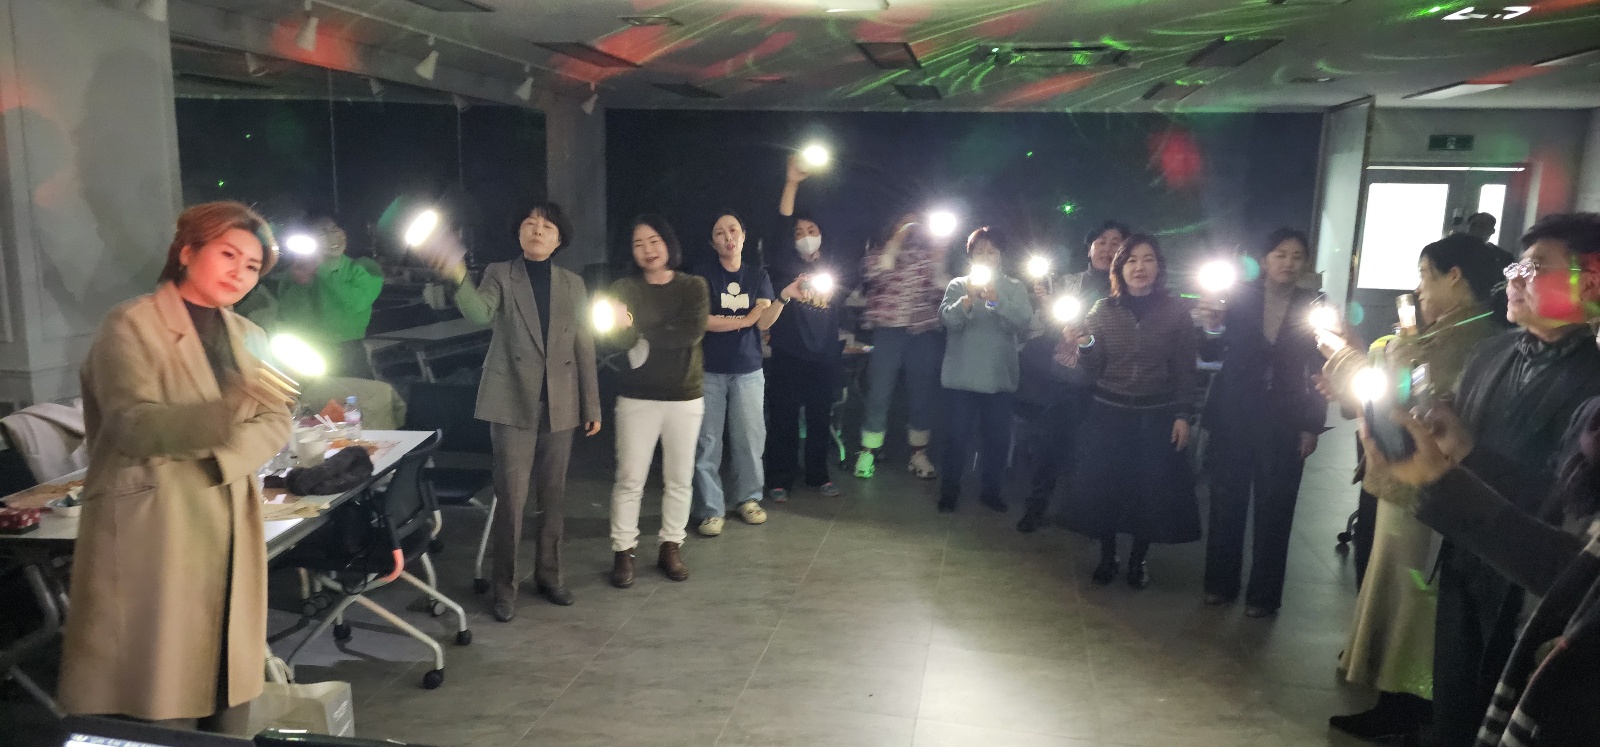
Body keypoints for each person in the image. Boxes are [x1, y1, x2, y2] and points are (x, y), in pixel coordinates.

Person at [59, 202, 295, 731]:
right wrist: (226, 413)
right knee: (158, 685)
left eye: (252, 266)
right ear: (187, 252)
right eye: (228, 254)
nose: (239, 272)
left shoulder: (250, 336)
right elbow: (133, 424)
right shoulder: (131, 325)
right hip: (154, 521)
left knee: (225, 676)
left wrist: (224, 452)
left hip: (230, 513)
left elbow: (277, 418)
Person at [1315, 234, 1505, 742]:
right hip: (1407, 484)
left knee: (1409, 600)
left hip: (1420, 489)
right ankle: (1398, 703)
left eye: (1425, 275)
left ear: (1455, 276)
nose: (1419, 289)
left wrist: (1345, 359)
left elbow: (1406, 403)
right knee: (1398, 591)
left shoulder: (1459, 342)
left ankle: (1403, 708)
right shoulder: (1452, 334)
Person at [1430, 212, 1600, 747]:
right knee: (1452, 699)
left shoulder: (1592, 380)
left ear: (1589, 281)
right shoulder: (1491, 352)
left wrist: (1469, 451)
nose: (1514, 278)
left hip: (1533, 583)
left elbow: (1567, 504)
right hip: (1464, 552)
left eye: (1534, 267)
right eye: (1516, 267)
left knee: (1501, 706)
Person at [1369, 394, 1600, 747]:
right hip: (1532, 626)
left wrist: (1443, 480)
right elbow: (1553, 511)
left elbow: (1581, 579)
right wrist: (1462, 457)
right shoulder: (1590, 415)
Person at [432, 202, 602, 619]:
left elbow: (583, 343)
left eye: (547, 226)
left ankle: (550, 575)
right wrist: (458, 273)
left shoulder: (572, 284)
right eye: (530, 223)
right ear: (519, 233)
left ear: (559, 239)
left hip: (561, 402)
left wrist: (591, 404)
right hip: (511, 400)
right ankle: (503, 587)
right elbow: (479, 313)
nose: (537, 230)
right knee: (511, 500)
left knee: (554, 497)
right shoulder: (500, 273)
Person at [1058, 234, 1200, 589]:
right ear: (1119, 268)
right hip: (1109, 413)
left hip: (1156, 415)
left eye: (1148, 259)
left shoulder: (1176, 312)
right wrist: (1084, 344)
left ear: (1159, 266)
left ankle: (1139, 559)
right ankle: (1108, 556)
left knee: (1149, 492)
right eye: (1132, 260)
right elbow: (1091, 369)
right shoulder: (1102, 310)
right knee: (1105, 489)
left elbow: (1185, 368)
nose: (1140, 267)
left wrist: (1183, 414)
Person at [1198, 228, 1325, 618]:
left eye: (1297, 256)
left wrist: (1311, 425)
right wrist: (1211, 325)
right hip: (1234, 413)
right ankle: (1220, 585)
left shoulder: (1315, 304)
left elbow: (1320, 369)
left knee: (1277, 507)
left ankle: (1264, 596)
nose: (1288, 262)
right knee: (1226, 501)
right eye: (1280, 254)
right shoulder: (1238, 298)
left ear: (1305, 264)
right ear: (1265, 260)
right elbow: (1210, 351)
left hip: (1285, 417)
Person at [605, 215, 709, 588]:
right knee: (629, 478)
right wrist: (628, 333)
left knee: (679, 478)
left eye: (654, 241)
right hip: (636, 396)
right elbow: (613, 339)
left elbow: (690, 332)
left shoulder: (693, 286)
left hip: (684, 395)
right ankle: (623, 551)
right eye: (638, 244)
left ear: (668, 243)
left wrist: (638, 332)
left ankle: (671, 546)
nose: (647, 250)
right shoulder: (623, 287)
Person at [1014, 220, 1125, 533]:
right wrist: (1046, 307)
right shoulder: (1066, 283)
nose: (1107, 248)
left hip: (1108, 383)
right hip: (1067, 377)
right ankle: (1036, 506)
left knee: (1094, 451)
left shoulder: (1124, 291)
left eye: (1115, 242)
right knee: (1051, 444)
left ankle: (1080, 512)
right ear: (1089, 248)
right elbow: (1044, 330)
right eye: (1100, 241)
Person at [690, 211, 785, 537]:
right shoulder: (702, 275)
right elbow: (702, 320)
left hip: (748, 370)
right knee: (707, 442)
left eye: (733, 230)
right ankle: (710, 509)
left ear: (743, 236)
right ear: (713, 242)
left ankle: (748, 499)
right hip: (709, 370)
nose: (728, 237)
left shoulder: (758, 274)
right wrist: (745, 319)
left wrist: (780, 299)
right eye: (720, 233)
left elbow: (764, 320)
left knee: (749, 438)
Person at [765, 155, 851, 501]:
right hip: (788, 353)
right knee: (783, 418)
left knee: (819, 418)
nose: (805, 237)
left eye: (811, 231)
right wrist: (792, 183)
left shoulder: (834, 267)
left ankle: (818, 476)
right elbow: (779, 227)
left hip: (824, 355)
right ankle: (779, 479)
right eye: (799, 233)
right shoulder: (784, 266)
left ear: (822, 236)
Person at [937, 227, 1032, 513]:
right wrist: (968, 298)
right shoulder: (957, 285)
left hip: (999, 379)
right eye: (980, 252)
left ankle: (991, 491)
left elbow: (1022, 321)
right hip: (960, 379)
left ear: (1001, 255)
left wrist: (995, 301)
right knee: (956, 438)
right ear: (971, 256)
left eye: (992, 251)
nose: (986, 256)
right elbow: (947, 320)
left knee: (997, 440)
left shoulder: (1014, 287)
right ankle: (949, 491)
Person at [855, 214, 948, 479]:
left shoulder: (929, 256)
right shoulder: (878, 254)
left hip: (923, 332)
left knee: (922, 393)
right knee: (879, 392)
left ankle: (918, 453)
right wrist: (895, 243)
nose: (911, 229)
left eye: (915, 224)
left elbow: (940, 292)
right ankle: (868, 451)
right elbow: (874, 276)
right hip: (888, 331)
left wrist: (939, 259)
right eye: (905, 224)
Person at [263, 218, 384, 376]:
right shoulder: (295, 272)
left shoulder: (364, 267)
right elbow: (288, 314)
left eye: (335, 229)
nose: (331, 237)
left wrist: (321, 269)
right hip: (304, 351)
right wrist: (301, 283)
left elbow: (357, 302)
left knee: (355, 392)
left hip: (348, 351)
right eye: (321, 233)